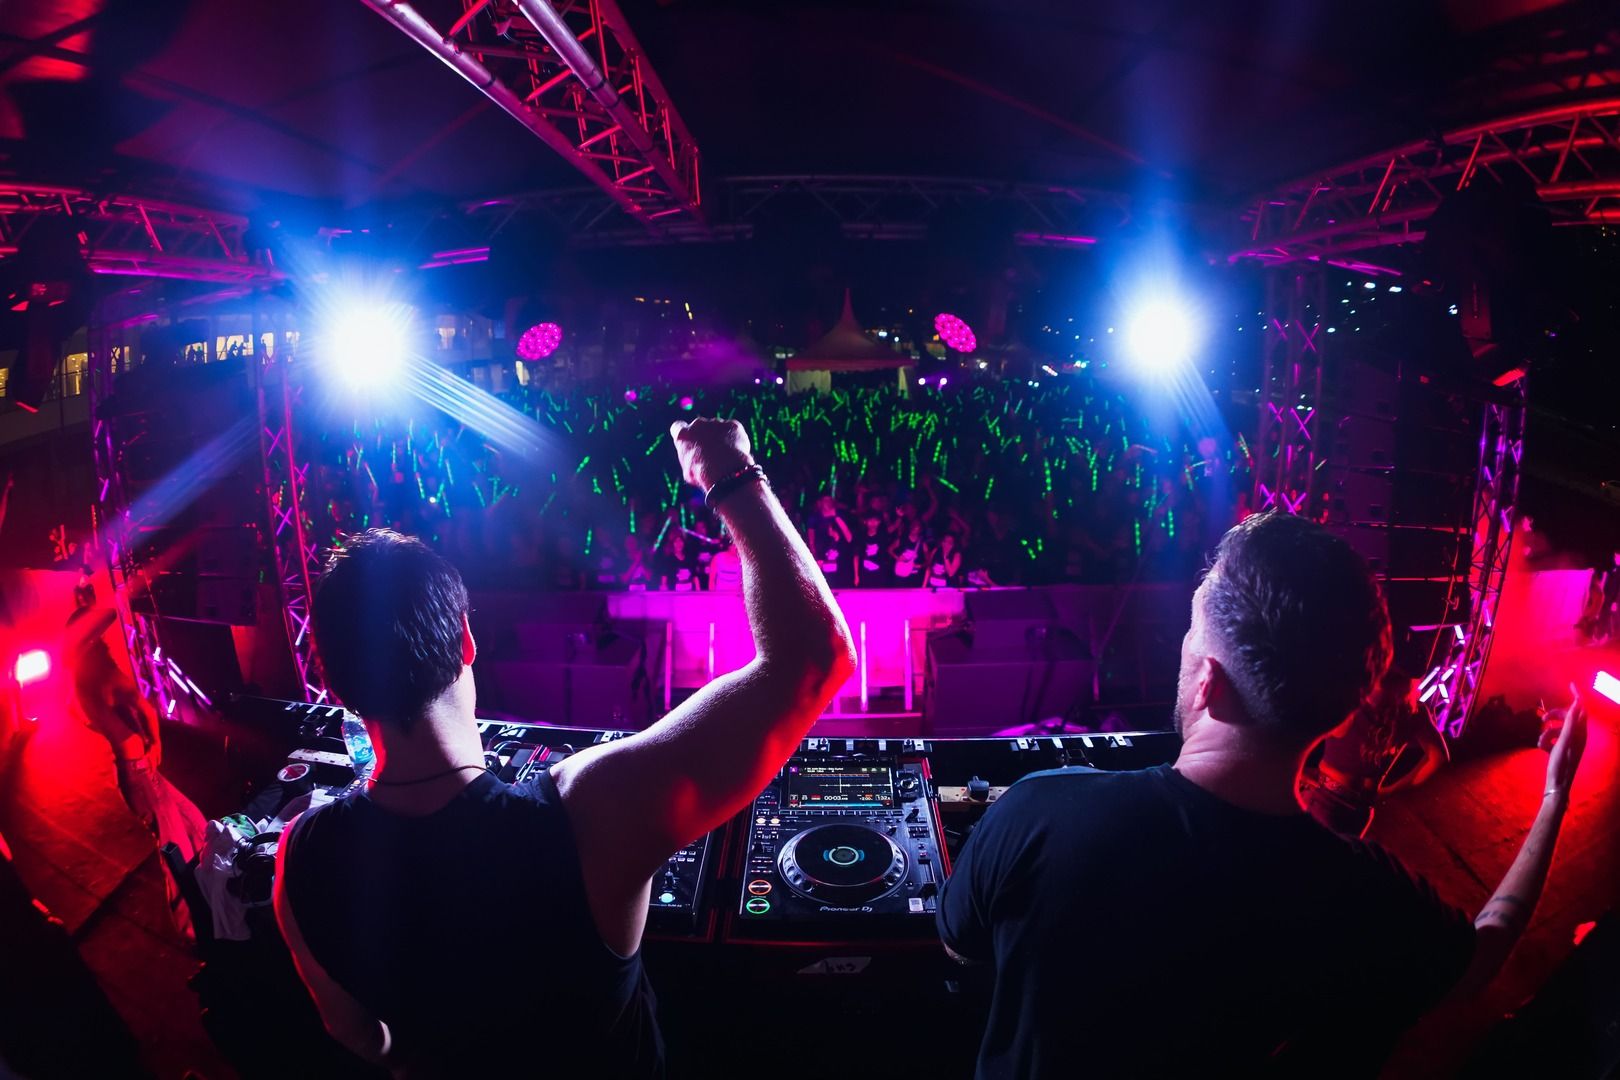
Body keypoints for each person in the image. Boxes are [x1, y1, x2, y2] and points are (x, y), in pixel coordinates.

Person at [274, 418, 856, 1078]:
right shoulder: (592, 812)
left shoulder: (300, 855)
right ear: (465, 641)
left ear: (335, 683)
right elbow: (815, 660)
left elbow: (360, 1035)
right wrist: (727, 472)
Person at [937, 512, 1586, 1078]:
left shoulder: (1040, 812)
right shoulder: (1370, 899)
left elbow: (959, 947)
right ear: (1343, 716)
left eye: (1191, 633)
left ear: (1207, 682)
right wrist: (1555, 793)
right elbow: (1484, 956)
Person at [64, 580, 208, 939]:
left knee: (196, 826)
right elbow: (140, 711)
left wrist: (142, 739)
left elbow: (117, 714)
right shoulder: (99, 677)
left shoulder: (87, 681)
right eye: (97, 637)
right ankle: (195, 933)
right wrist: (150, 741)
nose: (103, 640)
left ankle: (214, 903)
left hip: (139, 773)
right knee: (177, 853)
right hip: (139, 775)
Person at [1299, 667, 1449, 837]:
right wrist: (1391, 790)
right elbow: (1438, 757)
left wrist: (1300, 772)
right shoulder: (1412, 712)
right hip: (1359, 809)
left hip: (1328, 801)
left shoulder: (1354, 700)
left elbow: (1298, 722)